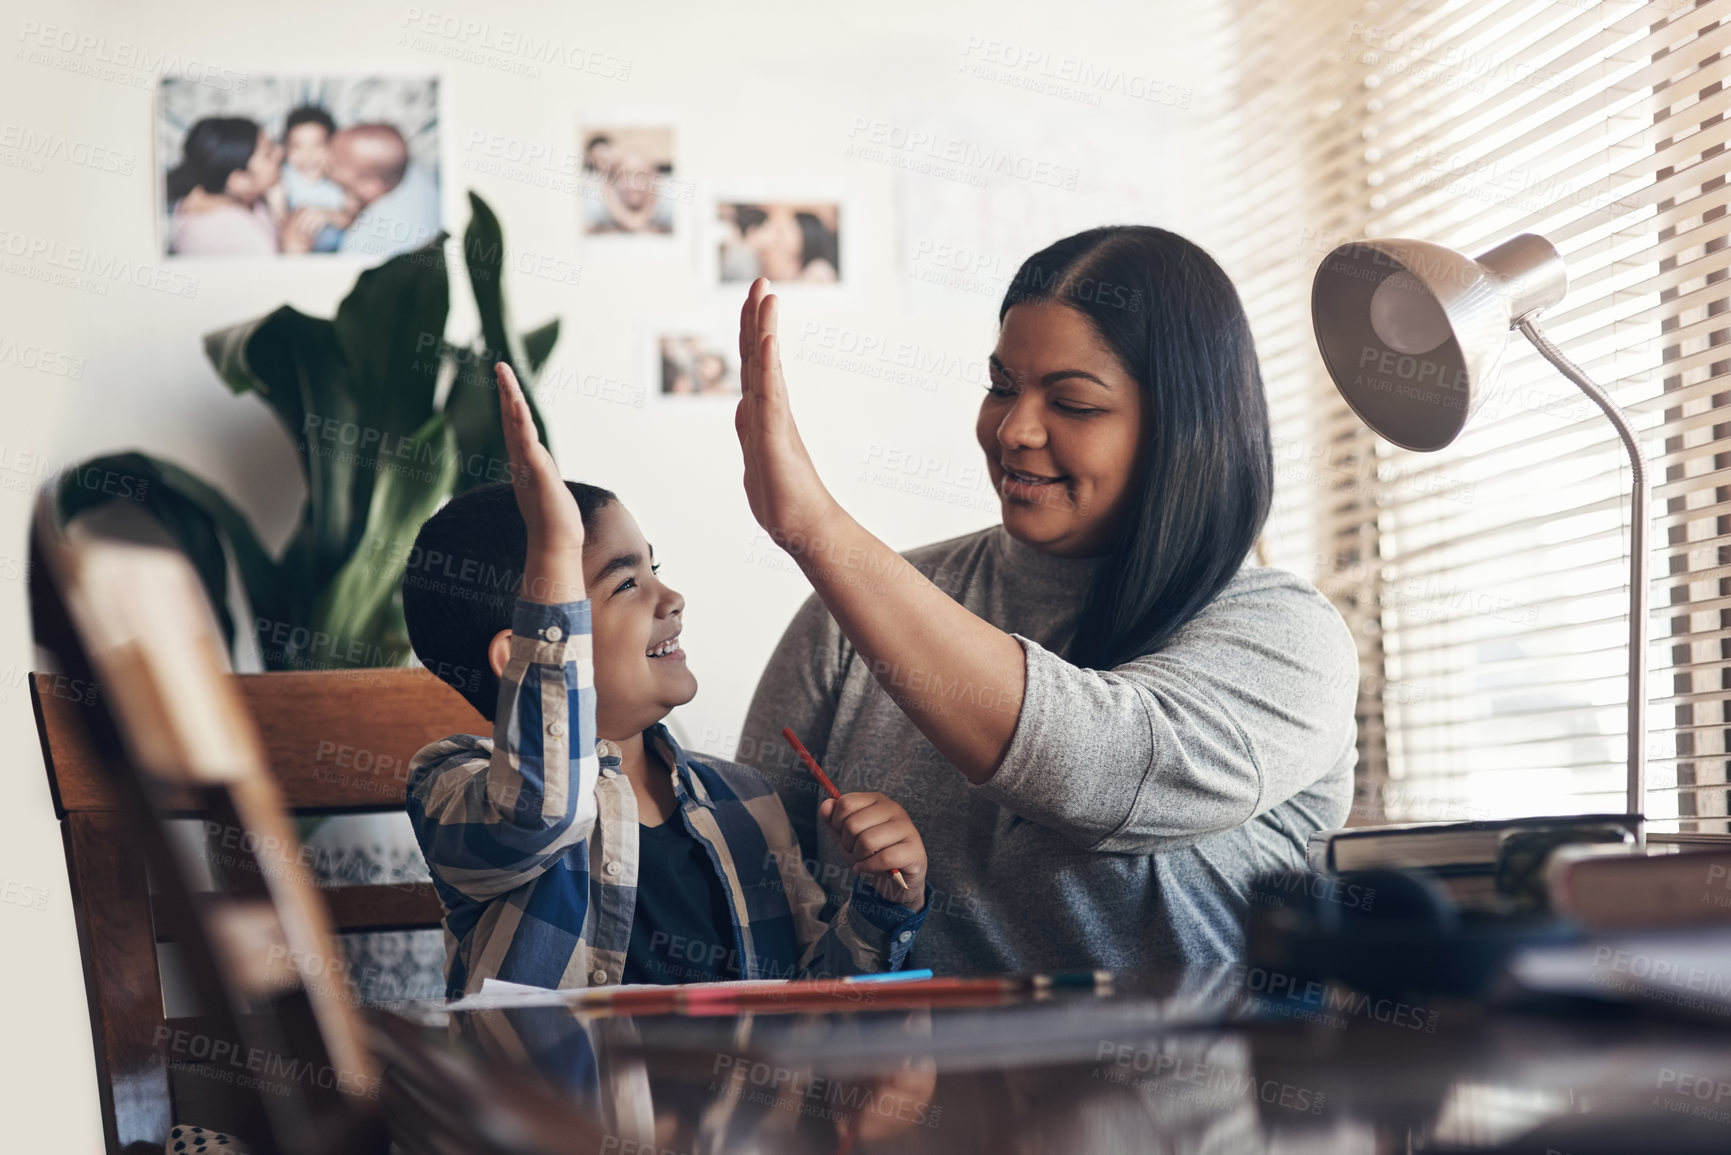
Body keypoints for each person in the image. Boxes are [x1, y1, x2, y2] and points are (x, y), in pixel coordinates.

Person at [734, 226, 1360, 975]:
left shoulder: (1285, 637)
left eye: (1072, 403)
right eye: (1001, 386)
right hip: (888, 1090)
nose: (1014, 429)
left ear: (1182, 428)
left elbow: (1104, 773)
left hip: (1184, 1093)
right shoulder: (850, 622)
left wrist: (816, 528)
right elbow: (751, 904)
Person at [401, 363, 930, 997]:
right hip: (565, 1099)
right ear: (524, 650)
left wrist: (882, 904)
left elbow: (809, 999)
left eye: (655, 569)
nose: (672, 597)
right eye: (625, 583)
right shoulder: (457, 785)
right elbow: (543, 811)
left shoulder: (745, 800)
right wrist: (553, 551)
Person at [321, 122, 441, 259]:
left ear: (370, 188)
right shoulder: (411, 172)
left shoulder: (363, 242)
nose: (324, 161)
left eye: (336, 162)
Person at [165, 117, 282, 256]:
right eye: (268, 155)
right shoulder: (241, 236)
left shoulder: (205, 195)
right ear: (239, 180)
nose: (280, 152)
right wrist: (293, 250)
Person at [274, 105, 357, 253]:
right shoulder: (282, 180)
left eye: (318, 145)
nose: (308, 156)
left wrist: (330, 215)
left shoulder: (340, 178)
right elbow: (280, 225)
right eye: (297, 147)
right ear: (286, 148)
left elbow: (353, 218)